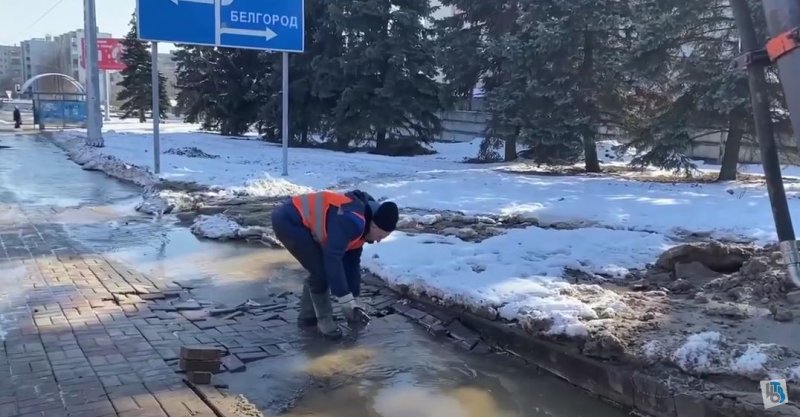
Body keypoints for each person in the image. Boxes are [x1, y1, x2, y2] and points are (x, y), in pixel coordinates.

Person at [271, 189, 399, 339]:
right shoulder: (352, 221)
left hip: (304, 222)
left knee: (318, 269)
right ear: (373, 226)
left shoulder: (367, 223)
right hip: (290, 220)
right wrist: (345, 300)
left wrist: (353, 301)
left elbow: (351, 264)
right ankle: (324, 320)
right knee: (321, 271)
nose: (378, 241)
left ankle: (307, 318)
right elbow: (332, 259)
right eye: (380, 236)